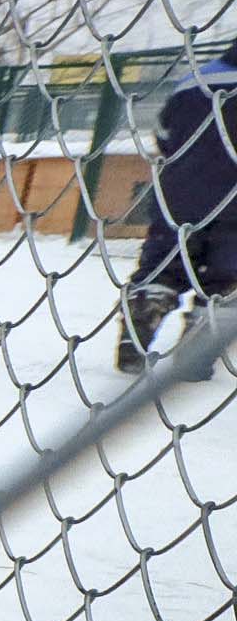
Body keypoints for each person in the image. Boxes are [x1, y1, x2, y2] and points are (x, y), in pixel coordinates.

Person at [114, 35, 237, 375]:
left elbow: (164, 134)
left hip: (179, 192)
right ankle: (199, 346)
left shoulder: (196, 78)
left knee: (165, 260)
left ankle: (145, 310)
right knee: (225, 276)